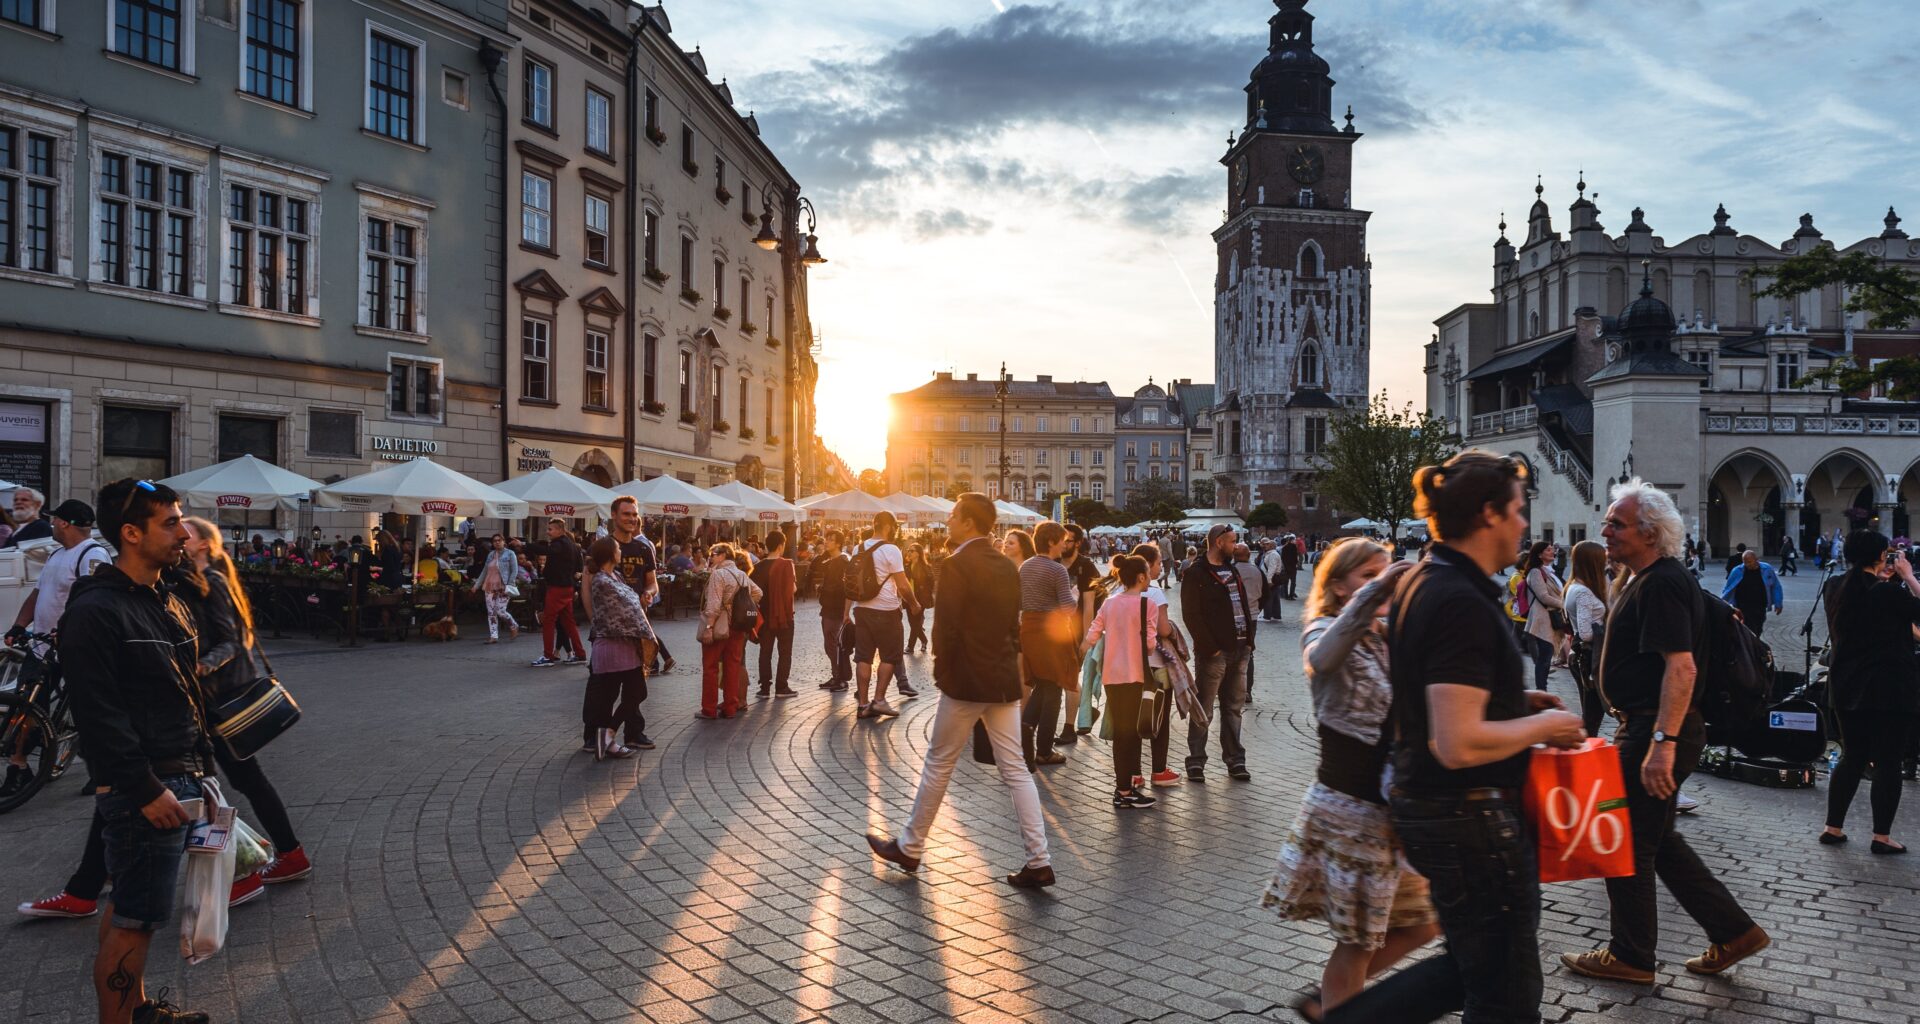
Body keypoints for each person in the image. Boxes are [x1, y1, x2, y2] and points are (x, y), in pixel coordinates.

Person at [1329, 451, 1585, 1024]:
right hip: (1470, 819)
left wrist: (1512, 703)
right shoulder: (1459, 600)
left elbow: (1435, 693)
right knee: (1505, 996)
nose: (1525, 525)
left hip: (1439, 811)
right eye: (1519, 511)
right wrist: (1548, 725)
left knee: (1478, 966)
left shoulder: (1426, 578)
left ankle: (1345, 1016)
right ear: (1490, 514)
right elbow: (1459, 741)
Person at [1560, 479, 1769, 985]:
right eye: (1607, 521)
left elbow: (1682, 669)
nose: (1604, 530)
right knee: (1660, 841)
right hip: (1647, 726)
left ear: (1650, 533)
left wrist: (1661, 744)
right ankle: (1733, 931)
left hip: (1656, 728)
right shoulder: (1642, 578)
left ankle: (1631, 954)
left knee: (1626, 840)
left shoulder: (1663, 582)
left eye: (1617, 523)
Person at [62, 479, 214, 1024]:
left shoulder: (164, 598)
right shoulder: (96, 611)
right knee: (135, 920)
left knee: (132, 909)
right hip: (145, 789)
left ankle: (138, 1009)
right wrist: (146, 789)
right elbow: (98, 717)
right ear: (131, 533)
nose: (184, 532)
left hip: (179, 774)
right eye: (170, 522)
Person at [1266, 538, 1437, 1019]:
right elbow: (1321, 659)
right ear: (1339, 587)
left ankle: (1332, 1003)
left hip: (1390, 810)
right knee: (1358, 942)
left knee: (1423, 924)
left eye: (1383, 574)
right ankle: (1340, 1008)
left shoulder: (1386, 637)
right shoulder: (1323, 628)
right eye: (1366, 576)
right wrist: (1379, 590)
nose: (1379, 583)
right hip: (1351, 808)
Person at [865, 492, 1054, 888]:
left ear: (969, 522)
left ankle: (911, 847)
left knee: (939, 762)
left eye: (953, 516)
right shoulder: (1006, 565)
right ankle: (1039, 860)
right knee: (1016, 769)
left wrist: (942, 672)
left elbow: (945, 628)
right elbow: (1011, 625)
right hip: (1000, 678)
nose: (948, 521)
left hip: (966, 680)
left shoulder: (955, 564)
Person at [173, 519, 310, 901]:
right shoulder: (187, 580)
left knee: (223, 782)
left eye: (187, 533)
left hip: (220, 699)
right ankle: (284, 854)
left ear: (203, 545)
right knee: (236, 780)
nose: (180, 538)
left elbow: (233, 640)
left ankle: (259, 864)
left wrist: (199, 664)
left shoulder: (213, 582)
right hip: (208, 699)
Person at [4, 499, 113, 795]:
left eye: (55, 520)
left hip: (76, 647)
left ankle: (104, 770)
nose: (51, 524)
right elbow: (38, 594)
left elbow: (95, 602)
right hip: (42, 646)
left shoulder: (94, 555)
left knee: (88, 710)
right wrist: (18, 625)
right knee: (26, 708)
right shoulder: (56, 555)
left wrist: (66, 630)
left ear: (65, 523)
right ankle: (19, 768)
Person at [1820, 530, 1920, 853]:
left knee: (1853, 757)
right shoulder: (1888, 592)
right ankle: (1881, 836)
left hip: (1846, 686)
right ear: (1881, 556)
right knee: (1889, 761)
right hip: (1888, 688)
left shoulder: (1834, 587)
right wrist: (1908, 576)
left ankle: (1832, 827)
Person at [1081, 553, 1175, 808]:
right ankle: (1125, 791)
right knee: (1131, 733)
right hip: (1135, 675)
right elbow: (1148, 646)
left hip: (1112, 676)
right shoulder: (1148, 605)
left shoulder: (1110, 603)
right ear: (1142, 577)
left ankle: (1124, 788)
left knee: (1121, 732)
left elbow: (1093, 633)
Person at [1180, 525, 1257, 783]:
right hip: (1214, 652)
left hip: (1240, 648)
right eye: (1232, 541)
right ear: (1217, 542)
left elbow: (1242, 605)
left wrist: (1249, 642)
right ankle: (1196, 761)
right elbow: (1191, 615)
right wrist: (1209, 646)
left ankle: (1236, 760)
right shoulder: (1197, 573)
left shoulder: (1232, 570)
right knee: (1204, 709)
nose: (1235, 546)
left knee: (1233, 708)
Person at [1019, 522, 1081, 768]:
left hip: (1029, 628)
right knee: (1054, 685)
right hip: (1051, 632)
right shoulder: (1057, 570)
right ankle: (1044, 750)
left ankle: (1025, 730)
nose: (1065, 545)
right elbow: (1067, 607)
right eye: (1062, 541)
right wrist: (1074, 597)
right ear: (1051, 542)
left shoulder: (1025, 567)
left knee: (1042, 684)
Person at [582, 536, 649, 758]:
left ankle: (608, 736)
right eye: (618, 549)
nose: (621, 551)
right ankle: (606, 739)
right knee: (610, 697)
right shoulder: (601, 580)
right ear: (610, 553)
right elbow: (628, 610)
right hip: (611, 646)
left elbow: (632, 606)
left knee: (637, 691)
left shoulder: (616, 575)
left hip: (626, 645)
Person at [851, 512, 918, 720]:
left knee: (863, 657)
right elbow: (903, 584)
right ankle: (879, 700)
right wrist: (914, 604)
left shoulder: (858, 548)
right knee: (890, 655)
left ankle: (862, 705)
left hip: (862, 609)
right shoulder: (891, 549)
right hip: (887, 610)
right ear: (888, 527)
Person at [697, 542, 760, 720]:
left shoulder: (719, 574)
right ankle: (730, 708)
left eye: (714, 554)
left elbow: (713, 605)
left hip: (719, 626)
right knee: (733, 666)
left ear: (723, 555)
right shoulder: (742, 575)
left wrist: (709, 627)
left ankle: (708, 710)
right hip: (738, 627)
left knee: (710, 667)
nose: (711, 558)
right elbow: (758, 593)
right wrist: (738, 606)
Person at [1562, 540, 1612, 737]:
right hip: (1589, 655)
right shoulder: (1582, 592)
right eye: (1603, 559)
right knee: (1592, 714)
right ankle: (1585, 753)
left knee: (1591, 712)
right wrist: (1607, 629)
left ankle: (1586, 748)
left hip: (1583, 654)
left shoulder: (1575, 585)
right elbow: (1585, 632)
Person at [528, 517, 585, 668]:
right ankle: (580, 654)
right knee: (568, 622)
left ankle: (548, 655)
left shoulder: (560, 544)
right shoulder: (571, 545)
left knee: (549, 620)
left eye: (550, 529)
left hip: (557, 587)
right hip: (567, 587)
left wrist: (526, 545)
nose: (548, 532)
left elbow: (547, 550)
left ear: (560, 530)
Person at [752, 530, 798, 698]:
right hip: (784, 616)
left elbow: (753, 592)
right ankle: (781, 687)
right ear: (781, 546)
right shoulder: (787, 564)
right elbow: (792, 589)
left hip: (764, 616)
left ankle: (764, 688)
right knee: (785, 652)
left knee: (765, 652)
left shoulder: (757, 566)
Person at [1519, 540, 1565, 690]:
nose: (1552, 552)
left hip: (1549, 616)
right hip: (1542, 617)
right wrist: (1563, 604)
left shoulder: (1548, 571)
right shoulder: (1535, 572)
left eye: (1552, 549)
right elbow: (1543, 596)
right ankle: (1541, 689)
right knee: (1544, 657)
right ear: (1539, 555)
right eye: (1548, 550)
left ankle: (1543, 688)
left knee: (1546, 655)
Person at [813, 531, 852, 692]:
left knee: (834, 644)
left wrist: (823, 589)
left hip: (836, 609)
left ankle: (841, 679)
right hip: (828, 607)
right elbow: (815, 567)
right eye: (827, 539)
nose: (827, 542)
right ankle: (836, 675)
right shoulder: (830, 560)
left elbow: (842, 587)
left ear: (838, 544)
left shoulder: (842, 561)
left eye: (831, 540)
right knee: (829, 644)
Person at [1720, 548, 1784, 634]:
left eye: (1750, 562)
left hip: (1760, 606)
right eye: (1745, 562)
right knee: (1748, 629)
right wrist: (1722, 604)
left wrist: (1778, 603)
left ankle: (1753, 644)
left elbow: (1776, 586)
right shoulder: (1737, 571)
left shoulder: (1767, 569)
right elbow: (1728, 589)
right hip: (1743, 606)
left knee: (1758, 628)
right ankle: (1751, 645)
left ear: (1756, 559)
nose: (1747, 564)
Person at [905, 543, 935, 654]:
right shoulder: (907, 566)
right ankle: (924, 641)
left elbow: (931, 583)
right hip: (909, 598)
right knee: (913, 624)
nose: (909, 552)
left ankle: (910, 646)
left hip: (920, 599)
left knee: (916, 623)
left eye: (911, 550)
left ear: (918, 553)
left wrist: (925, 595)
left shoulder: (925, 567)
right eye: (908, 550)